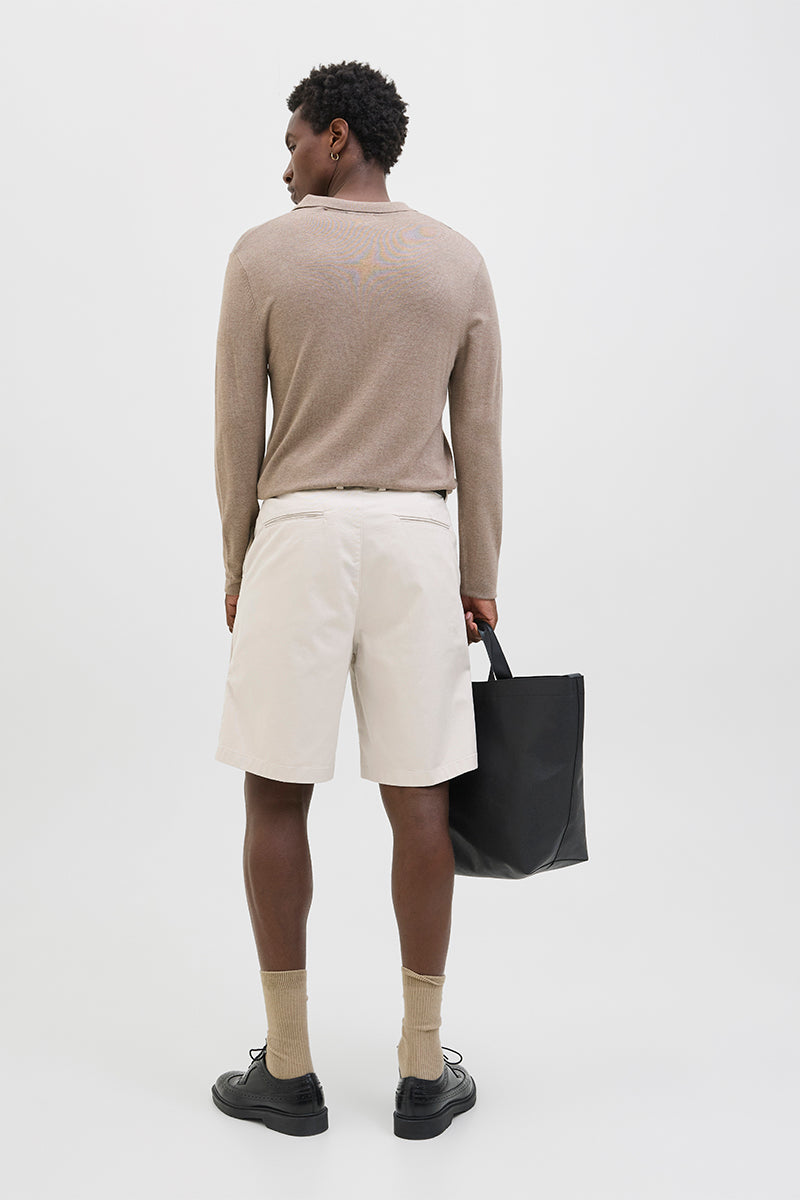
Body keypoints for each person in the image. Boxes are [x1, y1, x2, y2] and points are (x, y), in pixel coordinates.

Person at [210, 60, 502, 1140]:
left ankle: (287, 1072)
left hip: (297, 531)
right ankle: (422, 1072)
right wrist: (478, 577)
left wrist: (236, 560)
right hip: (417, 539)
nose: (285, 164)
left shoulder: (261, 255)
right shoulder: (456, 261)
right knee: (421, 802)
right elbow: (478, 436)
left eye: (294, 141)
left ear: (338, 137)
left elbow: (236, 427)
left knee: (275, 794)